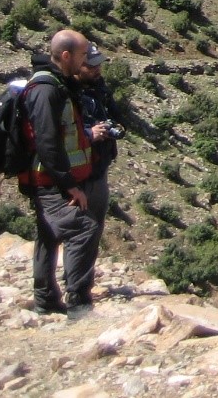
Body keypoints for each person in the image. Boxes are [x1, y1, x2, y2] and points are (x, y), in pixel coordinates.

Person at [19, 29, 99, 313]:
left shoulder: (58, 83)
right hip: (49, 180)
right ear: (66, 56)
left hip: (48, 178)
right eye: (81, 55)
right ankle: (79, 305)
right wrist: (70, 185)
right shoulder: (46, 89)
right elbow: (47, 142)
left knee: (48, 234)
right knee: (83, 229)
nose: (85, 60)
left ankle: (45, 302)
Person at [73, 42, 121, 294]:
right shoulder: (66, 92)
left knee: (93, 229)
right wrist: (89, 134)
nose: (97, 69)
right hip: (72, 171)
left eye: (99, 64)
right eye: (91, 65)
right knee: (74, 229)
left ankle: (82, 288)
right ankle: (60, 292)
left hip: (98, 167)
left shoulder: (99, 90)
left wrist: (114, 126)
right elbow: (57, 131)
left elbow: (117, 115)